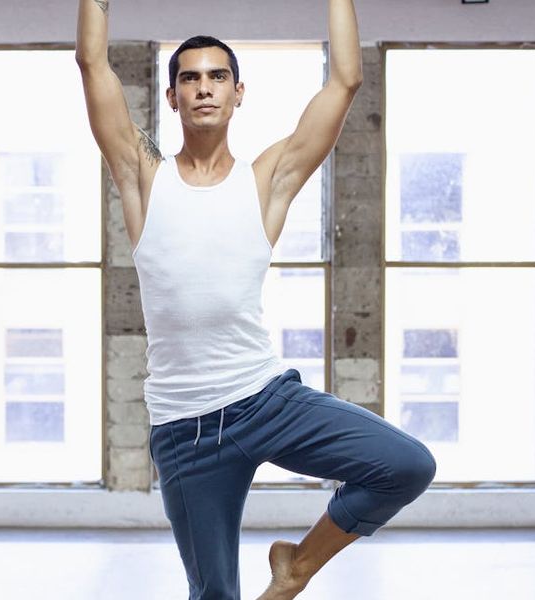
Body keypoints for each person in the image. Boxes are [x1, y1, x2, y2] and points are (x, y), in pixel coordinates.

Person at [76, 1, 437, 599]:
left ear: (238, 92)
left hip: (265, 399)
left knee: (406, 466)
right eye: (189, 77)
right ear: (172, 97)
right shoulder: (144, 177)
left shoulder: (266, 180)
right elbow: (93, 62)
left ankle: (296, 566)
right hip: (185, 430)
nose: (204, 88)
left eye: (217, 76)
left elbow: (346, 79)